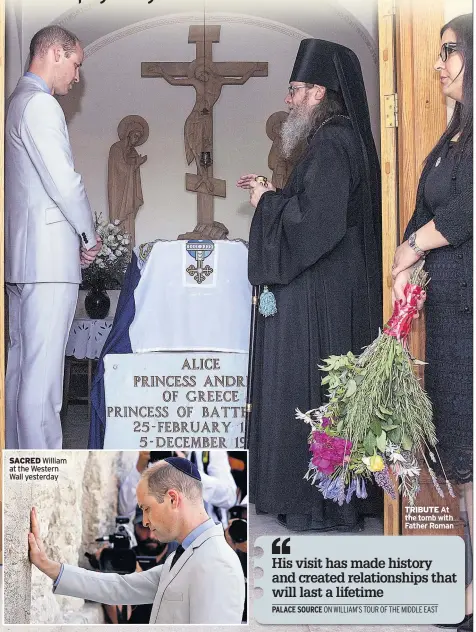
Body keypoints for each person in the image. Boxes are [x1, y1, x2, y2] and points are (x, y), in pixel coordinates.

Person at [237, 39, 382, 531]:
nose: (289, 99)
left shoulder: (334, 141)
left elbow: (314, 225)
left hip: (322, 296)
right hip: (323, 287)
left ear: (320, 91)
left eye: (296, 90)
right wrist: (277, 197)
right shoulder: (331, 141)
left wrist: (266, 204)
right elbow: (317, 212)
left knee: (309, 389)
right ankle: (310, 499)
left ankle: (316, 503)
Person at [392, 15, 472, 632]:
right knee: (462, 452)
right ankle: (471, 584)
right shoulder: (452, 137)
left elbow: (464, 211)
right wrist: (403, 260)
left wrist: (415, 246)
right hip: (446, 310)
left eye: (449, 52)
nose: (440, 63)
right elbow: (426, 204)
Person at [5, 25, 102, 449]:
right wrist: (88, 235)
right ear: (56, 54)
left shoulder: (16, 101)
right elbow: (64, 182)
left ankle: (16, 465)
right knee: (42, 384)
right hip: (46, 263)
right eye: (76, 64)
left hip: (24, 259)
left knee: (21, 371)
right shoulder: (41, 105)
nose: (77, 77)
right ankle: (43, 480)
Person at [29, 457, 245, 625]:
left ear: (173, 499)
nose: (146, 521)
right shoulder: (185, 555)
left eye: (147, 508)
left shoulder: (218, 563)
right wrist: (48, 566)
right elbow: (119, 587)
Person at [119, 451, 237, 527]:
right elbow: (124, 512)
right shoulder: (147, 454)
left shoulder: (208, 451)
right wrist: (139, 469)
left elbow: (229, 498)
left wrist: (189, 472)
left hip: (207, 535)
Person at [107, 115, 148, 248]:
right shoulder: (116, 148)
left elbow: (133, 174)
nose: (136, 140)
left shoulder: (133, 152)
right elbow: (121, 168)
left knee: (129, 223)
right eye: (135, 135)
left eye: (139, 137)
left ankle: (129, 250)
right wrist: (137, 163)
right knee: (118, 222)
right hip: (118, 193)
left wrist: (136, 162)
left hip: (129, 194)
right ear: (128, 134)